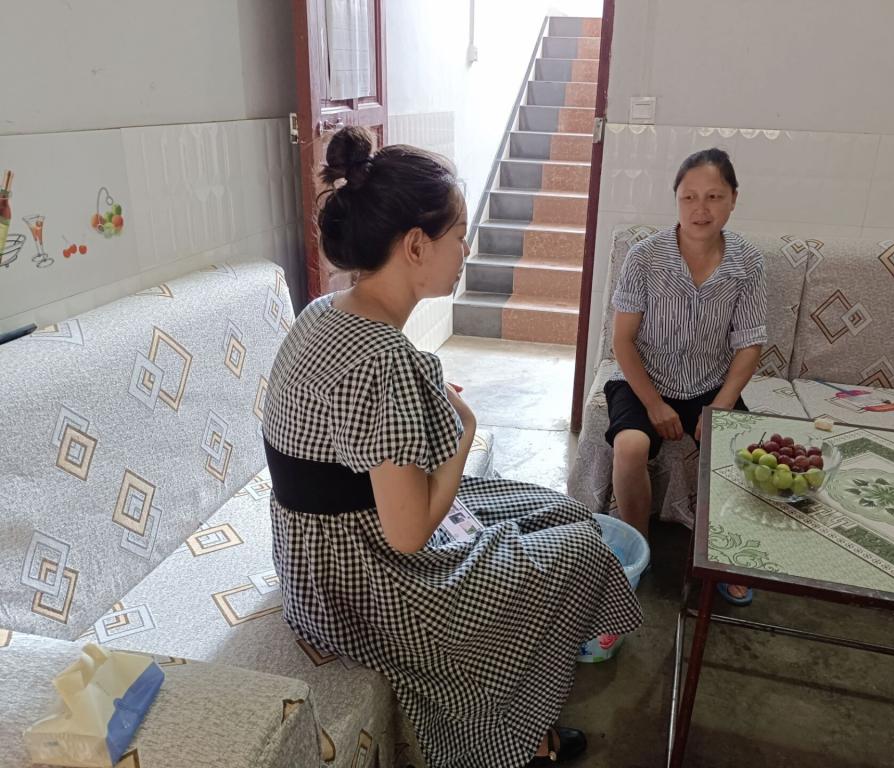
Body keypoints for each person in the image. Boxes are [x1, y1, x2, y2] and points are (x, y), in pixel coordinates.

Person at [262, 126, 642, 768]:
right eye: (459, 235)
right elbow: (409, 534)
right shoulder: (384, 358)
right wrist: (464, 433)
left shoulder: (326, 311)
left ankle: (519, 714)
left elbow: (355, 439)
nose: (466, 249)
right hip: (359, 588)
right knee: (580, 551)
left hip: (315, 558)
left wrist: (428, 402)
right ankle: (515, 736)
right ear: (416, 245)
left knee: (560, 511)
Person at [604, 148, 766, 606]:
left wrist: (722, 403)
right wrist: (654, 404)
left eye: (714, 196)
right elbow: (622, 342)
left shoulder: (748, 263)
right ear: (676, 199)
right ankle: (637, 550)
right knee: (630, 446)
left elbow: (749, 344)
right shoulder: (644, 257)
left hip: (710, 382)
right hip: (644, 379)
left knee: (742, 453)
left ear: (733, 199)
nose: (701, 208)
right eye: (689, 196)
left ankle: (726, 556)